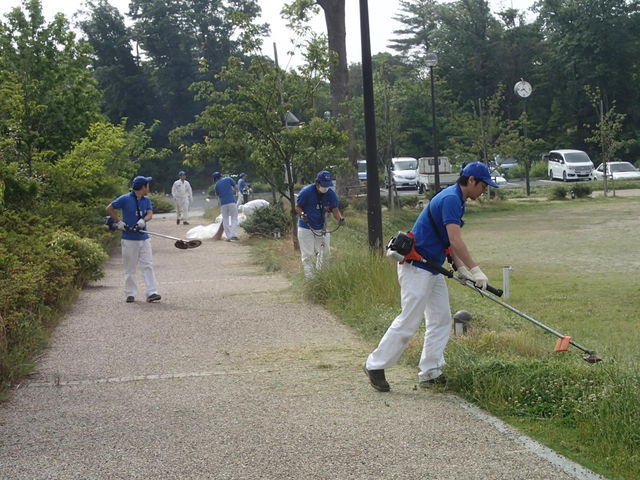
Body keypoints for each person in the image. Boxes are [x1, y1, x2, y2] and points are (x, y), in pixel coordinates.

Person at [363, 161, 499, 392]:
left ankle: (430, 372)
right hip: (416, 266)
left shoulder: (456, 199)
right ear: (472, 180)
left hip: (432, 267)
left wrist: (461, 269)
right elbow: (456, 240)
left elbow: (448, 242)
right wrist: (475, 269)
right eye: (484, 186)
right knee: (409, 320)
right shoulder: (451, 200)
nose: (484, 191)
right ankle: (374, 365)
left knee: (441, 319)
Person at [106, 176, 161, 303]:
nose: (149, 187)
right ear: (143, 187)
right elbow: (109, 208)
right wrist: (119, 222)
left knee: (148, 265)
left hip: (144, 238)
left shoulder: (146, 200)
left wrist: (143, 220)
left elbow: (149, 214)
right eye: (147, 185)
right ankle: (130, 293)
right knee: (130, 267)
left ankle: (152, 292)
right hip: (129, 239)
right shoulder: (125, 199)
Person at [295, 170, 345, 279]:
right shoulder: (306, 192)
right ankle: (311, 280)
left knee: (325, 253)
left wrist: (340, 219)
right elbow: (298, 207)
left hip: (322, 227)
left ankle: (323, 277)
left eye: (327, 185)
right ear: (317, 183)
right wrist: (303, 214)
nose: (325, 187)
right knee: (308, 255)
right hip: (306, 227)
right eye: (323, 185)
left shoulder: (331, 194)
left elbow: (335, 210)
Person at [212, 171, 239, 241]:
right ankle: (233, 234)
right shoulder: (228, 179)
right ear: (221, 176)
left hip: (223, 203)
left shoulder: (216, 185)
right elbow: (236, 187)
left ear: (215, 178)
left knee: (225, 219)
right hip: (231, 201)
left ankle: (228, 236)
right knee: (234, 218)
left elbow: (217, 195)